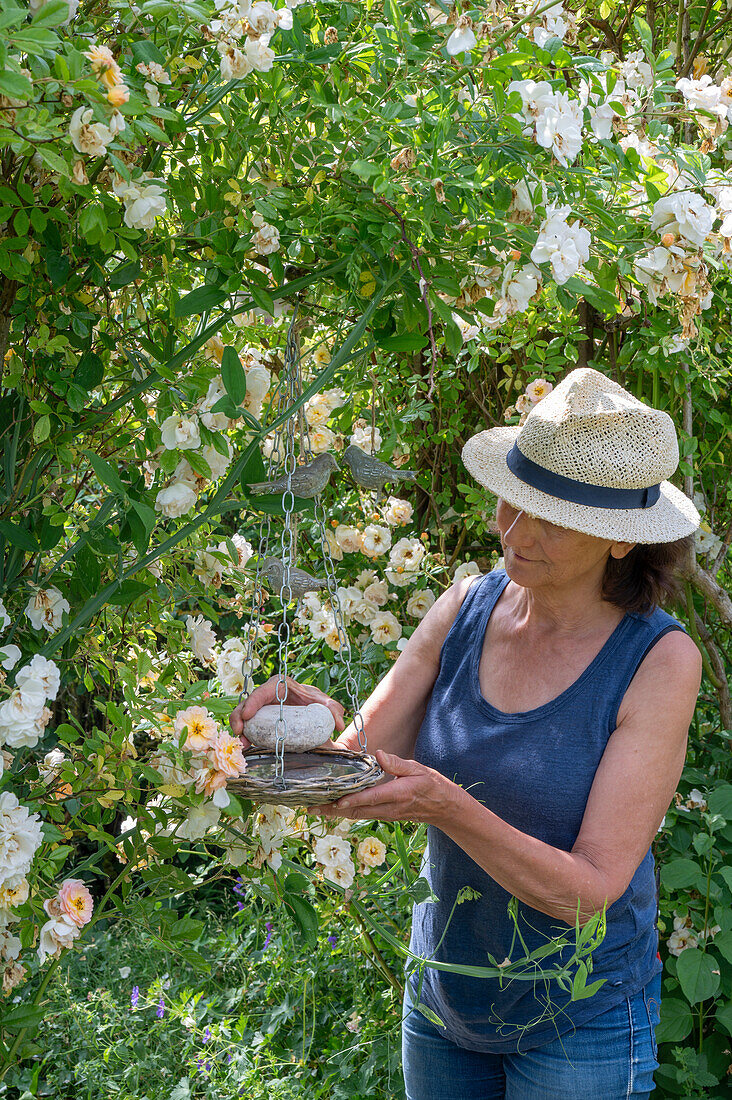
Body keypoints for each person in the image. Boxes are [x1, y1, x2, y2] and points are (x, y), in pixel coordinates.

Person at [229, 367, 703, 1099]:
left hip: (581, 1020)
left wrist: (449, 807)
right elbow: (350, 768)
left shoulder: (659, 662)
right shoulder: (463, 609)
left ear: (619, 540)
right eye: (512, 502)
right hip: (447, 997)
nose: (514, 532)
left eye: (551, 518)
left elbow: (588, 892)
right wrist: (295, 726)